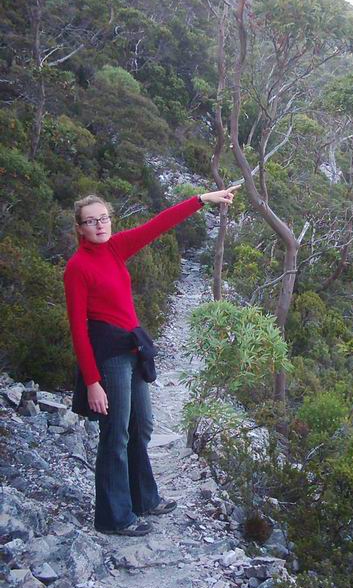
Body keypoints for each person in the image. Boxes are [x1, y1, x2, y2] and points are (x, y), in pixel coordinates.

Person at [63, 187, 239, 536]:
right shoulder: (77, 267)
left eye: (104, 218)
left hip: (133, 351)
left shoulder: (115, 248)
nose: (99, 225)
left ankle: (143, 498)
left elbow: (158, 225)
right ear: (79, 228)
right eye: (90, 221)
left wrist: (201, 199)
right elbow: (78, 330)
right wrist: (92, 380)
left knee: (141, 426)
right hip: (109, 358)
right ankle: (114, 517)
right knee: (115, 434)